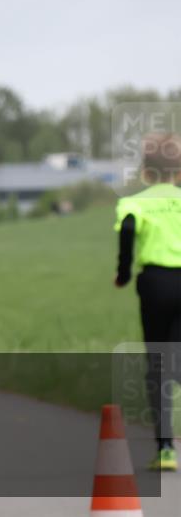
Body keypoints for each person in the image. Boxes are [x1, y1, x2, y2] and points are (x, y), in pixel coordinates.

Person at [114, 132, 181, 472]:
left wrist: (123, 273)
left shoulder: (135, 202)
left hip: (155, 284)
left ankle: (166, 449)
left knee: (157, 364)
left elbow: (127, 231)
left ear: (146, 170)